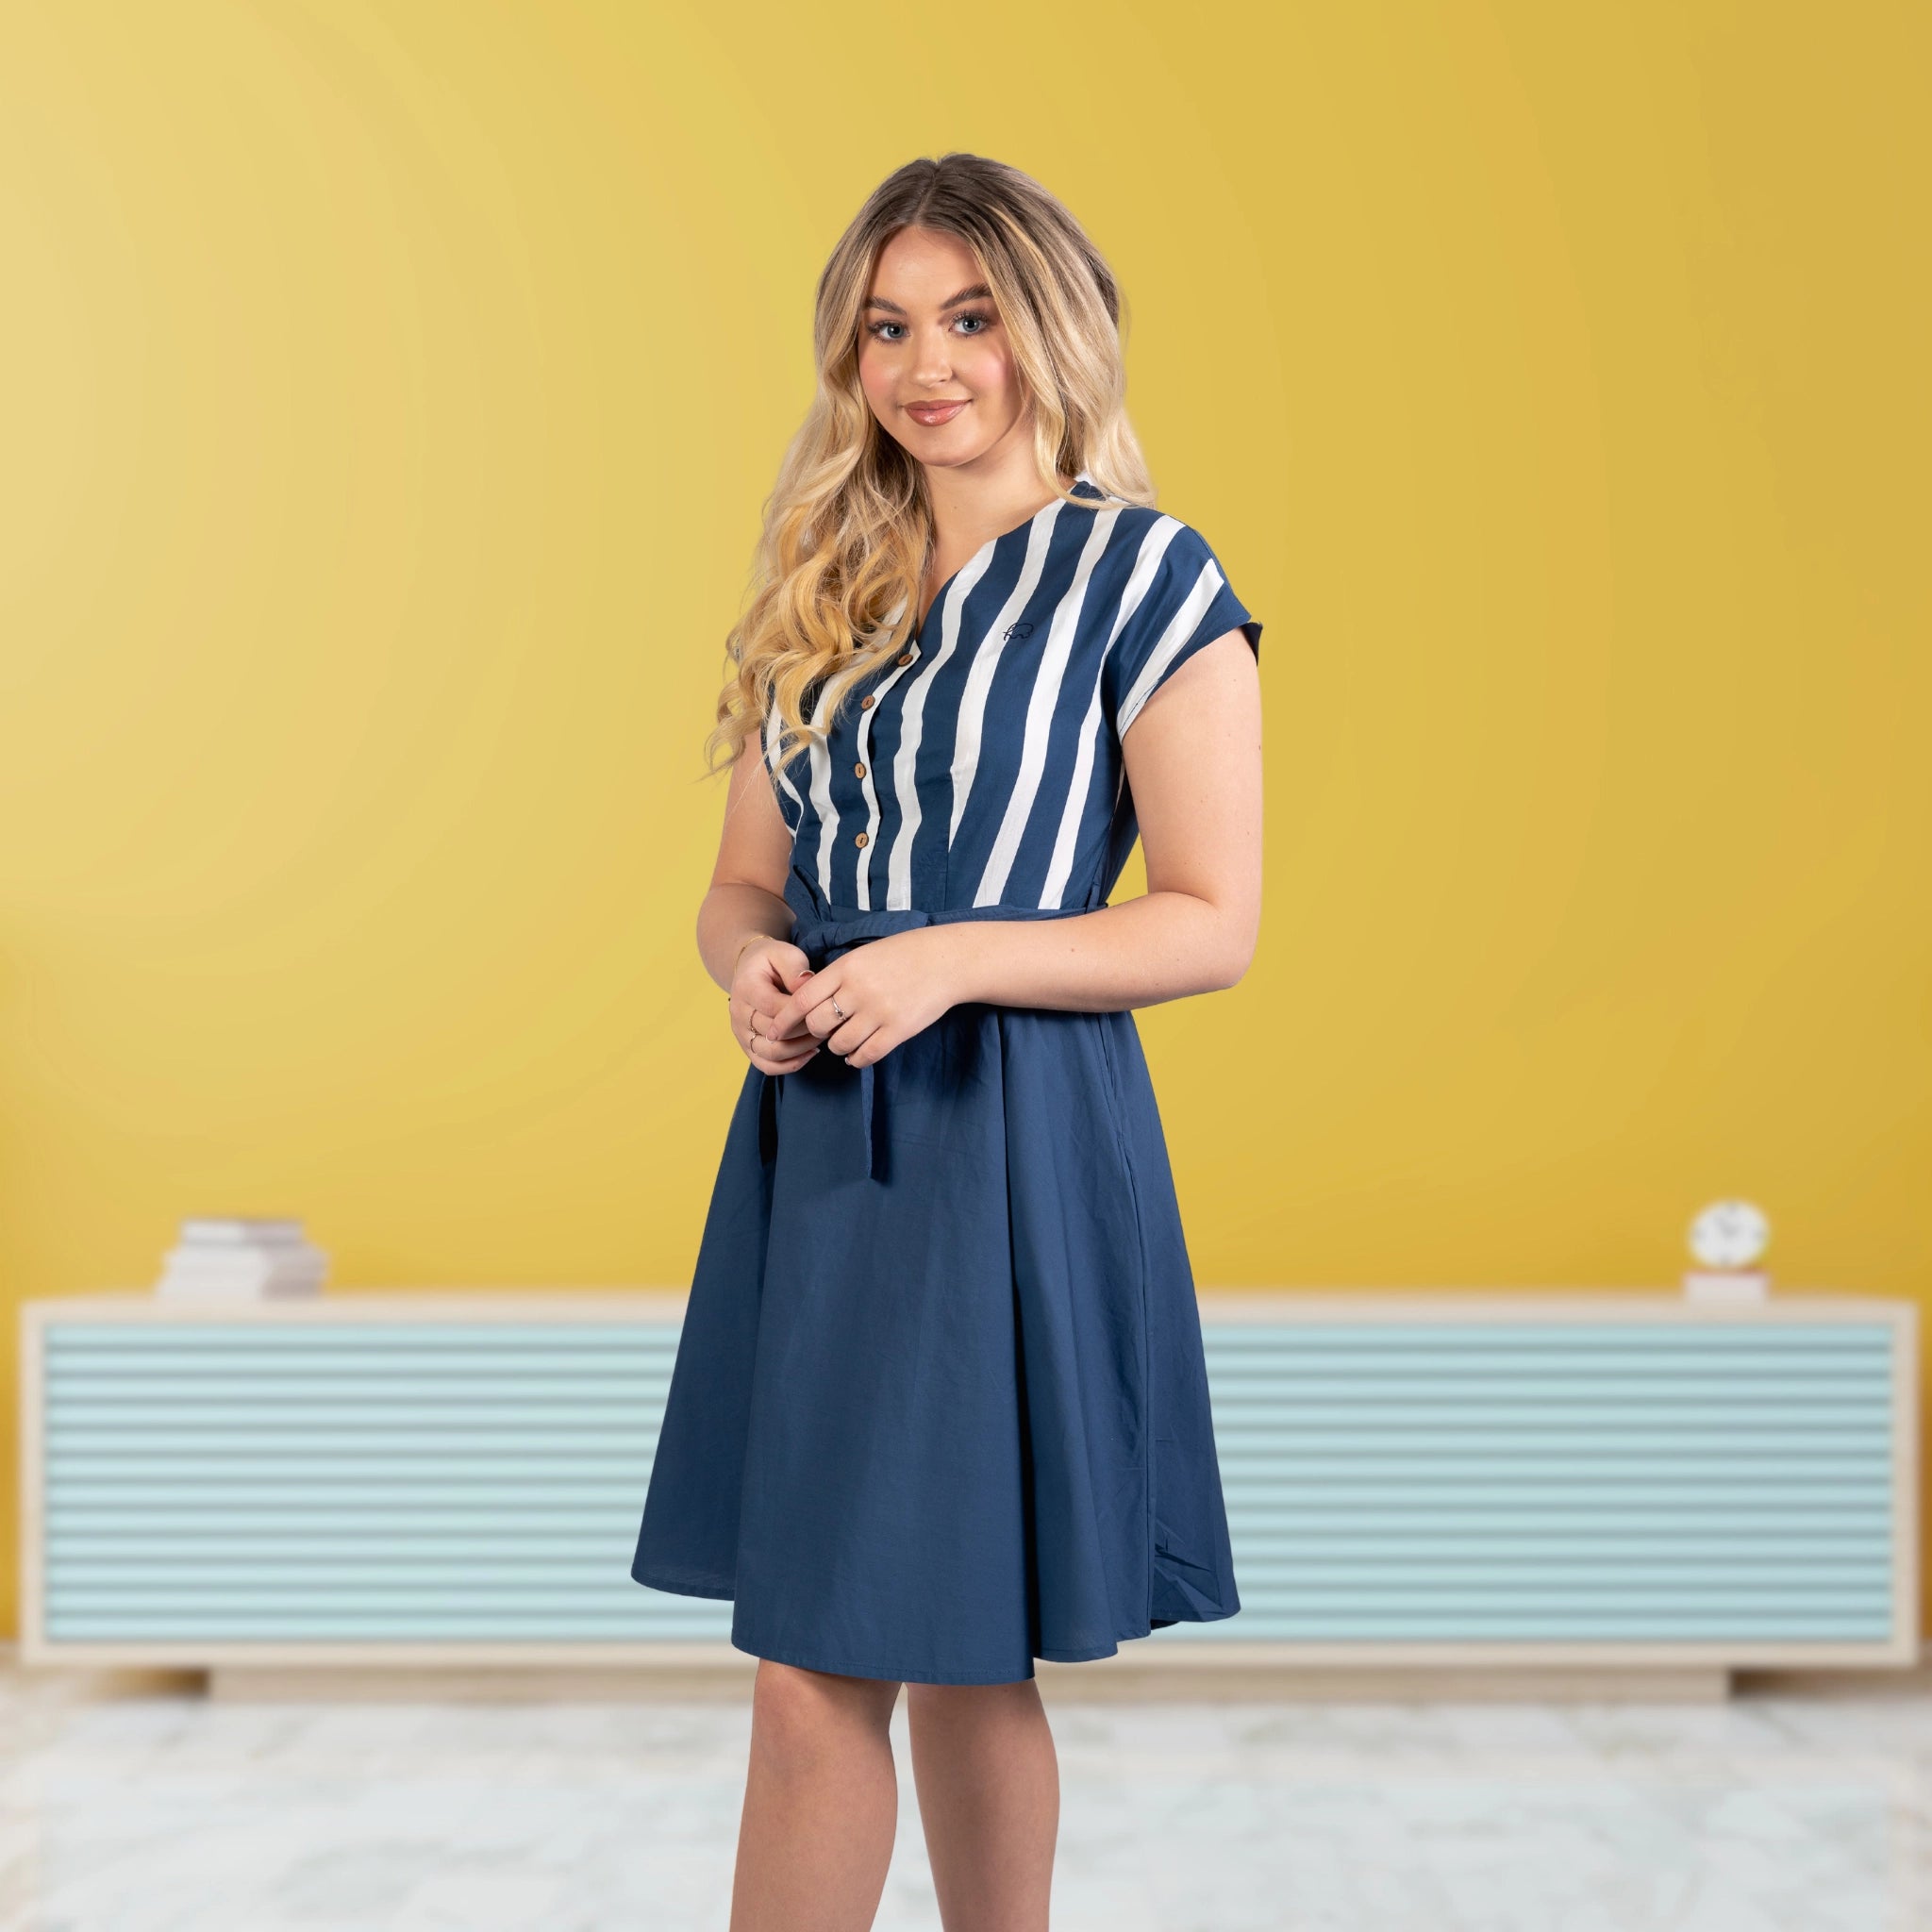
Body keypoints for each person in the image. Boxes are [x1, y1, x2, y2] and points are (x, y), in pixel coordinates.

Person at [630, 150, 1264, 1931]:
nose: (930, 364)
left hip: (1008, 1148)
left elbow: (1211, 921)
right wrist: (750, 967)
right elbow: (739, 887)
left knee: (867, 1658)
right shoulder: (819, 594)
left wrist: (948, 962)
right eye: (888, 326)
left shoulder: (1145, 579)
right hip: (821, 1156)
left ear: (1048, 329)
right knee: (927, 1651)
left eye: (971, 317)